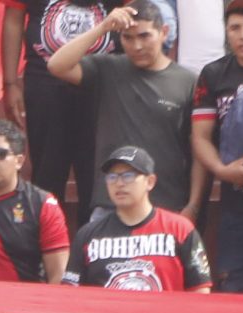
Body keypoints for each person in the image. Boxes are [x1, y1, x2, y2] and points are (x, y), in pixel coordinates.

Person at [48, 2, 197, 215]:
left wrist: (194, 204)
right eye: (128, 37)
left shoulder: (188, 81)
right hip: (110, 204)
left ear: (164, 32)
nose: (137, 46)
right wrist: (102, 27)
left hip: (166, 204)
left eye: (144, 36)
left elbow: (198, 148)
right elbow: (57, 65)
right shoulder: (107, 68)